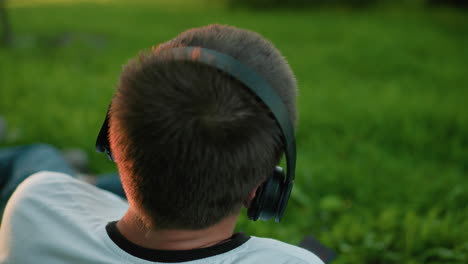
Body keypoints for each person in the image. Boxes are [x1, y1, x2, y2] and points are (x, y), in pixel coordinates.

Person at [0, 24, 324, 264]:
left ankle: (86, 179)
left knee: (37, 156)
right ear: (264, 190)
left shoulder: (37, 202)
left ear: (111, 138)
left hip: (79, 190)